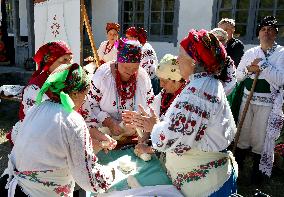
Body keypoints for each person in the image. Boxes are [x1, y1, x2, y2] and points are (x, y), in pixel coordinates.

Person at [124, 29, 238, 197]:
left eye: (181, 55)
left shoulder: (197, 93)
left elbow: (173, 139)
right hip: (208, 178)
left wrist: (153, 126)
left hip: (207, 186)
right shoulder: (204, 84)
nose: (177, 59)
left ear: (193, 61)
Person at [0, 63, 115, 196]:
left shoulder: (37, 108)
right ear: (76, 93)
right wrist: (110, 174)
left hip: (12, 187)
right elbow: (88, 179)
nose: (84, 101)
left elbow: (22, 137)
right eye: (85, 95)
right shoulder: (72, 120)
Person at [235, 16, 284, 182]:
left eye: (270, 30)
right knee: (242, 135)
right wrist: (250, 70)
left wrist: (262, 65)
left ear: (276, 34)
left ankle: (257, 174)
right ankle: (238, 171)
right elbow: (238, 76)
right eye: (263, 29)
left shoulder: (281, 54)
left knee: (259, 138)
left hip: (268, 103)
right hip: (247, 100)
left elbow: (281, 79)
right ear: (258, 34)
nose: (266, 32)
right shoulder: (251, 53)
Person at [81, 38, 154, 138]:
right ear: (118, 61)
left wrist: (138, 117)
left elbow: (150, 104)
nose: (131, 71)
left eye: (135, 68)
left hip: (134, 134)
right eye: (126, 67)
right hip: (104, 132)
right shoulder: (103, 75)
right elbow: (90, 104)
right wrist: (109, 122)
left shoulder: (142, 77)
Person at [7, 41, 73, 144]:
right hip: (35, 134)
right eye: (64, 60)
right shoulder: (35, 88)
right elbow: (38, 122)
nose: (69, 64)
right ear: (50, 62)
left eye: (70, 59)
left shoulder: (66, 81)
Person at [125, 54, 186, 155]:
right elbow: (151, 118)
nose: (161, 85)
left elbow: (178, 141)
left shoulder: (186, 101)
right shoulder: (164, 94)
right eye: (160, 80)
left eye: (164, 81)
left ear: (176, 80)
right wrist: (143, 137)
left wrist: (149, 150)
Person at [125, 27, 160, 95]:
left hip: (146, 81)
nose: (127, 40)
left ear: (134, 38)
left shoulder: (139, 48)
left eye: (128, 37)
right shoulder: (147, 45)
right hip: (153, 79)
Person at [210, 28, 237, 95]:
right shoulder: (201, 58)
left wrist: (217, 94)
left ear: (225, 43)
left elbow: (231, 83)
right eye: (215, 39)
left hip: (220, 96)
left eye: (221, 40)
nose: (218, 42)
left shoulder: (228, 61)